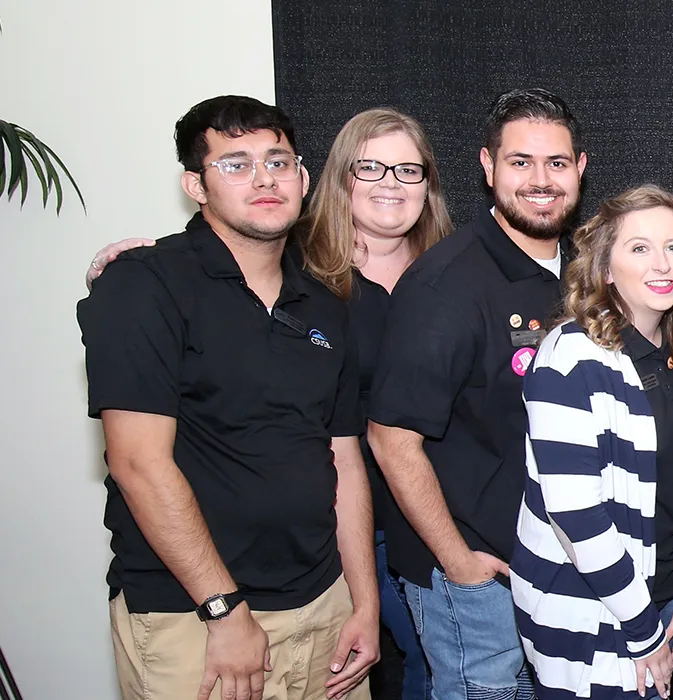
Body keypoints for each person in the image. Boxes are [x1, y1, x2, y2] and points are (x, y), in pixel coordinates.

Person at [86, 107, 455, 700]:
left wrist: (360, 603)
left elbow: (341, 458)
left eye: (278, 162)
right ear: (195, 185)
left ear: (303, 178)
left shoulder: (323, 304)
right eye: (236, 164)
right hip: (198, 616)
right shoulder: (146, 284)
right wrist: (223, 610)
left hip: (324, 603)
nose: (264, 179)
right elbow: (138, 464)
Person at [369, 88, 586, 700]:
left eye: (556, 163)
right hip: (479, 578)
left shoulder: (586, 274)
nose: (540, 180)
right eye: (520, 162)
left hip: (557, 567)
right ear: (488, 167)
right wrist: (456, 559)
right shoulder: (447, 285)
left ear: (580, 169)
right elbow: (390, 439)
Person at [514, 185, 673, 700]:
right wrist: (643, 630)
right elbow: (576, 517)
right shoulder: (570, 357)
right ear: (605, 269)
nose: (663, 262)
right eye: (639, 248)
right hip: (592, 618)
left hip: (665, 601)